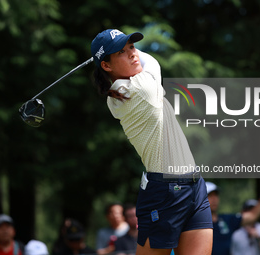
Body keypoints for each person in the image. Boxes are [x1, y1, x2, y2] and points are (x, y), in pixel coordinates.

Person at [91, 28, 213, 255]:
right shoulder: (139, 88)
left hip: (195, 185)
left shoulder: (120, 91)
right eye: (121, 52)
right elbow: (152, 60)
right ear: (106, 66)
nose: (133, 54)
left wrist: (106, 55)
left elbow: (139, 59)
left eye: (132, 47)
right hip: (165, 191)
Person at [206, 179, 260, 255]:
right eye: (209, 196)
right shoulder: (194, 224)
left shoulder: (227, 220)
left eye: (216, 195)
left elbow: (252, 216)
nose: (214, 199)